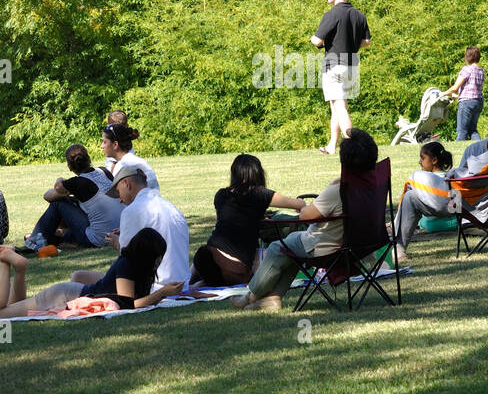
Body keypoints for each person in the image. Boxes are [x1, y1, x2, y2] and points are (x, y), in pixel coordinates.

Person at [232, 129, 378, 312]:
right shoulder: (374, 183)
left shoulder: (340, 189)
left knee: (279, 247)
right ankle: (273, 299)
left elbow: (305, 216)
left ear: (344, 160)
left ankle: (251, 295)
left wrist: (303, 207)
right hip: (362, 246)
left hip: (328, 248)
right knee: (290, 250)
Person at [0, 230, 185, 317]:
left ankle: (20, 268)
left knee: (13, 310)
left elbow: (136, 300)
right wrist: (162, 293)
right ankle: (6, 261)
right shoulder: (127, 265)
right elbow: (126, 304)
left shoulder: (135, 267)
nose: (159, 261)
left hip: (71, 293)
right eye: (157, 256)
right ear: (147, 255)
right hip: (64, 296)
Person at [191, 155, 306, 288]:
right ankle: (198, 284)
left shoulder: (221, 195)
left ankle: (186, 283)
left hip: (211, 259)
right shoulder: (261, 194)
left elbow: (235, 217)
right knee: (209, 261)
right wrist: (301, 202)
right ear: (258, 173)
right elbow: (298, 204)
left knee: (203, 255)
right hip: (239, 272)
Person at [104, 160, 189, 290]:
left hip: (154, 287)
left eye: (118, 192)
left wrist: (116, 243)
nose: (120, 199)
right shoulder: (170, 207)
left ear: (126, 184)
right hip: (182, 285)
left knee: (80, 277)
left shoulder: (131, 211)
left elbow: (127, 260)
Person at [311, 0, 370, 155]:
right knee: (335, 106)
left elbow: (316, 40)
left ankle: (353, 146)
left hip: (334, 64)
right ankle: (331, 145)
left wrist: (320, 42)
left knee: (340, 106)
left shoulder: (332, 14)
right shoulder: (359, 14)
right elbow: (366, 41)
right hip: (351, 65)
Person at [25, 144, 122, 251]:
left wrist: (59, 180)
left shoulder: (76, 183)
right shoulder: (104, 171)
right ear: (89, 159)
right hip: (120, 232)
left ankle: (34, 241)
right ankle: (58, 237)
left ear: (69, 167)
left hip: (98, 239)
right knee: (73, 203)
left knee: (58, 203)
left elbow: (48, 196)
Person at [391, 141, 455, 261]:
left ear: (434, 160)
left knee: (409, 196)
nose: (419, 161)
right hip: (455, 221)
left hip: (433, 225)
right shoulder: (451, 178)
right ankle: (394, 229)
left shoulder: (429, 181)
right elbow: (456, 205)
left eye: (422, 158)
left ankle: (398, 246)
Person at [101, 122, 159, 188]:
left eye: (104, 142)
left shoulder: (122, 167)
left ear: (115, 145)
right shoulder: (138, 161)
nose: (101, 146)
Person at [445, 46, 485, 140]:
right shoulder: (480, 70)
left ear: (468, 57)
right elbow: (473, 89)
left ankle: (458, 153)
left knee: (462, 131)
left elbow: (455, 88)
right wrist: (457, 96)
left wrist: (443, 93)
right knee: (473, 130)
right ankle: (479, 149)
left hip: (467, 103)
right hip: (478, 102)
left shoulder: (467, 69)